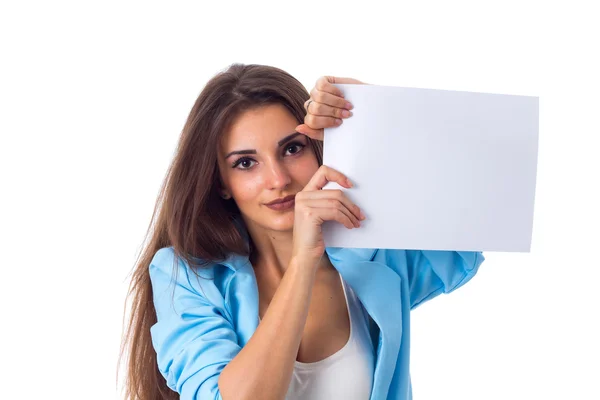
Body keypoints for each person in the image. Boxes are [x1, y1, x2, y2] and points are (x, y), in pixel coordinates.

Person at [119, 63, 485, 400]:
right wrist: (302, 259)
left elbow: (476, 211)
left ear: (318, 149)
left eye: (292, 149)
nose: (278, 180)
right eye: (246, 163)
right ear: (221, 183)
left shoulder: (370, 253)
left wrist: (378, 117)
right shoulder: (185, 276)